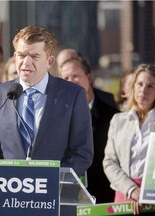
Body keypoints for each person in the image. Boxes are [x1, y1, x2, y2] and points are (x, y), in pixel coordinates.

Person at [0, 26, 93, 216]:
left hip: (56, 203)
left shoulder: (72, 95)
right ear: (15, 57)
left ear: (49, 61)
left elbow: (82, 153)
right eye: (21, 55)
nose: (26, 62)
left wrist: (46, 184)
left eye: (34, 56)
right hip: (9, 204)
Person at [59, 56, 120, 203]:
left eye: (75, 76)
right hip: (70, 197)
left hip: (106, 197)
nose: (71, 81)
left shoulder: (113, 117)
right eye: (66, 78)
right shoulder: (56, 117)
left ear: (89, 76)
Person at [103, 64, 155, 214]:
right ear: (133, 86)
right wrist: (132, 190)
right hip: (124, 195)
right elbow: (109, 162)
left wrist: (147, 192)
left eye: (150, 86)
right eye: (140, 84)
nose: (143, 90)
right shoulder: (118, 121)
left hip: (154, 199)